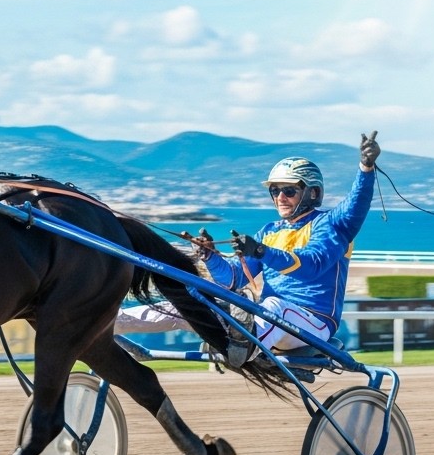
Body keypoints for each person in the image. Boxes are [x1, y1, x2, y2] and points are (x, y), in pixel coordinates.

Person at [116, 131, 381, 369]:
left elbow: (311, 265)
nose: (280, 197)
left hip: (312, 324)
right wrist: (210, 256)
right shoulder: (270, 231)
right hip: (266, 319)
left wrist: (366, 168)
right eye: (275, 191)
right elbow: (232, 279)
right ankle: (110, 323)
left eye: (289, 190)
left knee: (274, 306)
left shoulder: (332, 225)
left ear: (312, 194)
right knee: (192, 298)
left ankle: (240, 348)